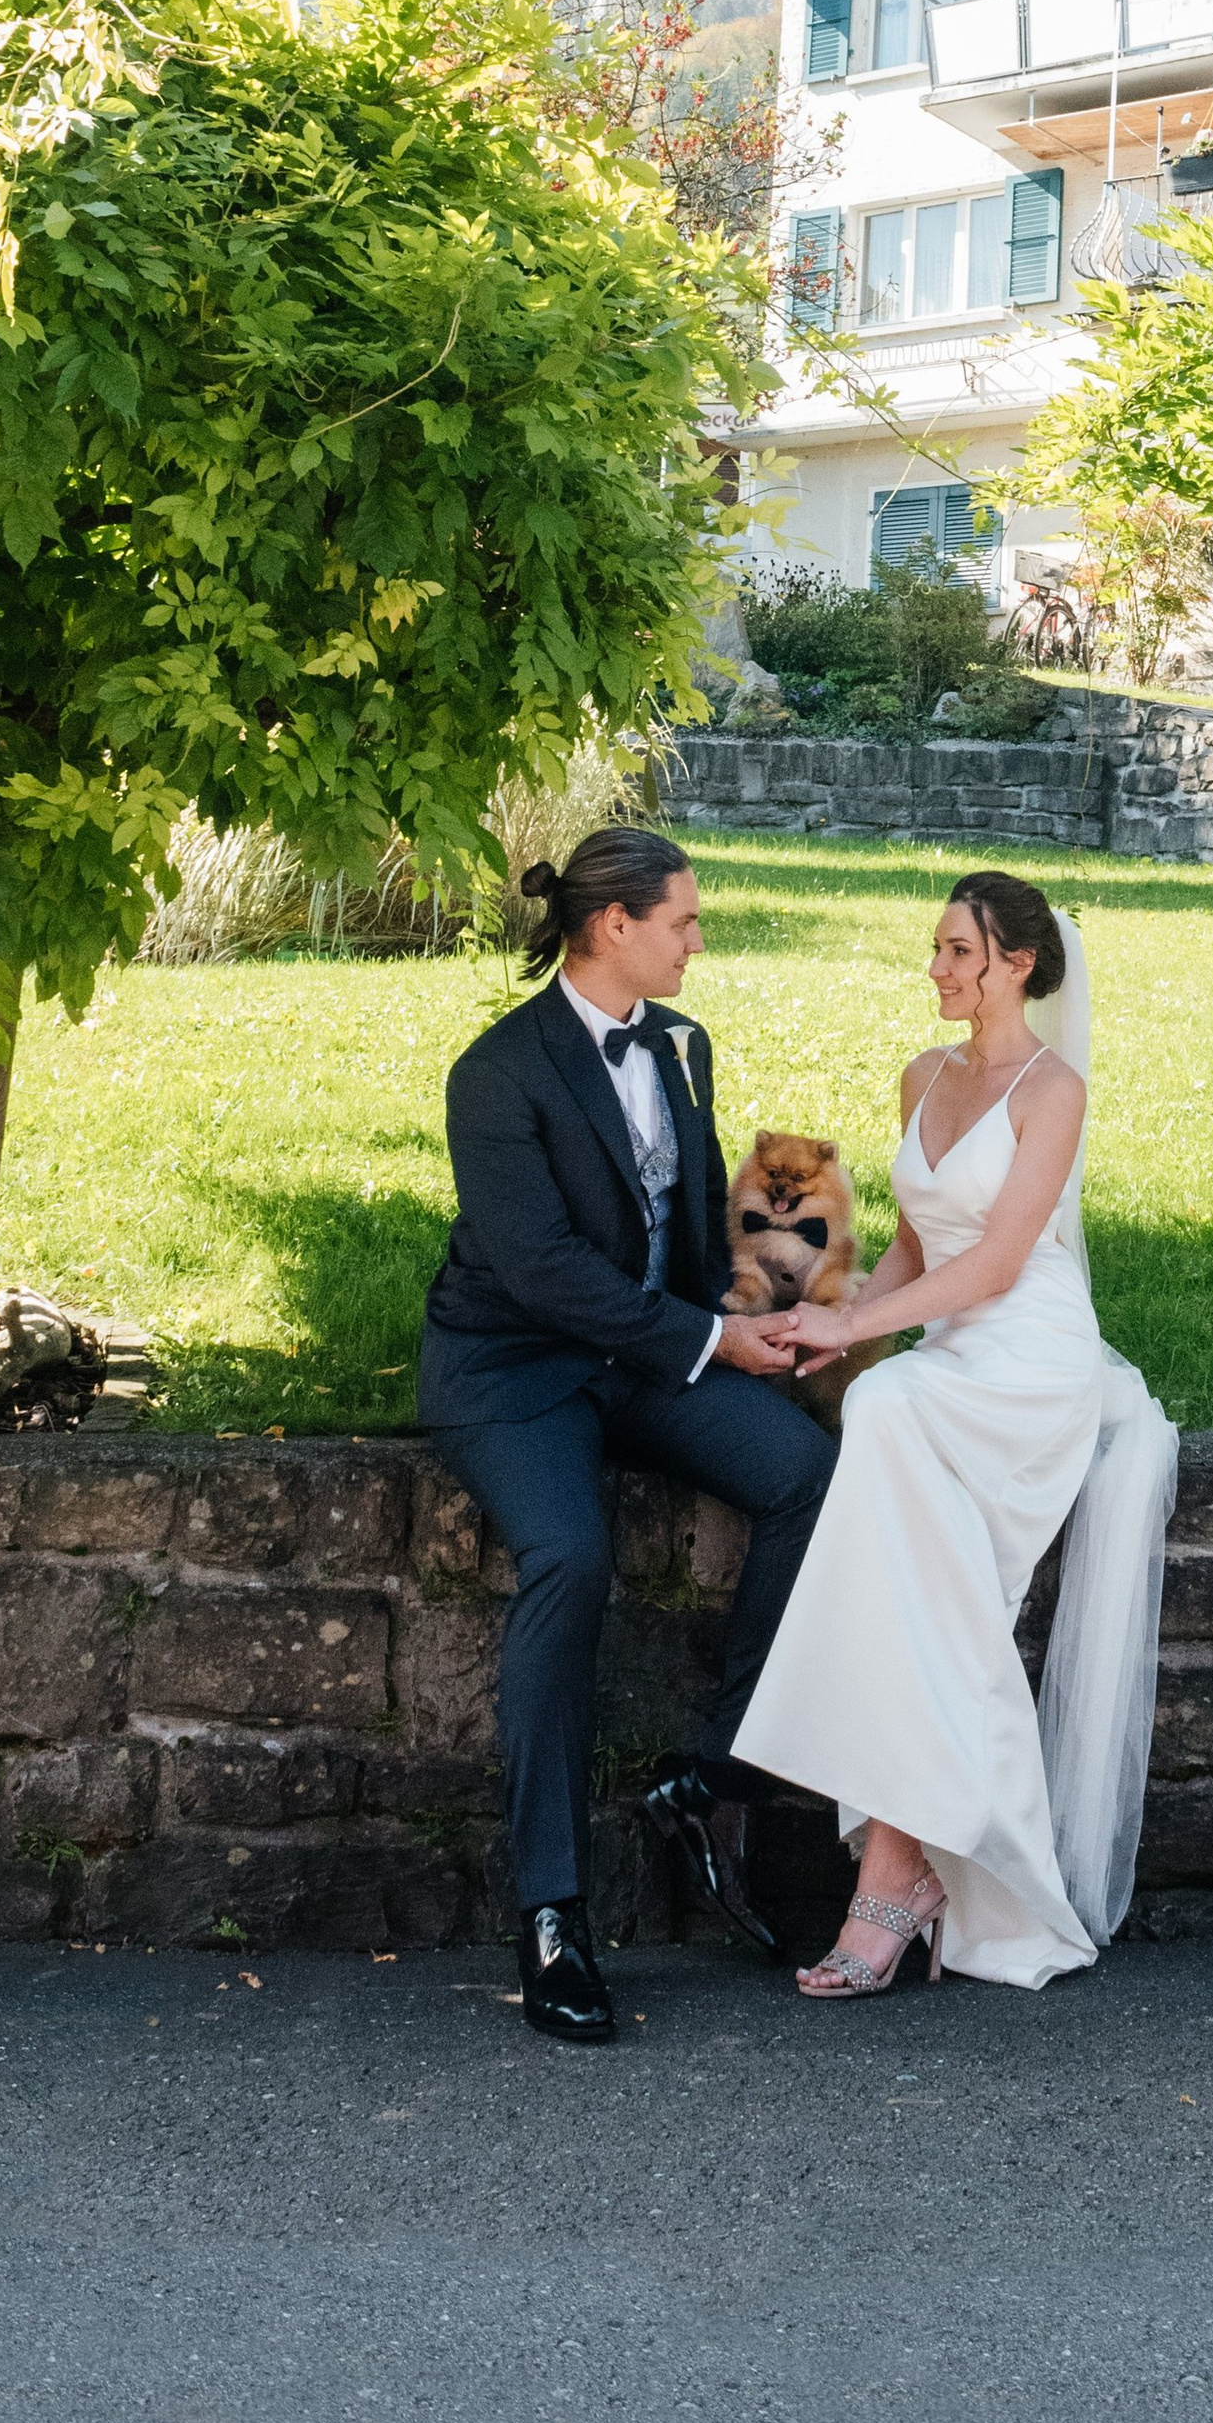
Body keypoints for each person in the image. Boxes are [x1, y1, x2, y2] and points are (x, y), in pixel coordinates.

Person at [418, 827, 834, 2045]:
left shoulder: (680, 1044)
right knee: (570, 1556)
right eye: (683, 921)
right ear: (614, 926)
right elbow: (540, 1268)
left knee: (809, 1475)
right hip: (514, 1366)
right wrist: (708, 1343)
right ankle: (553, 1915)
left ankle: (717, 1772)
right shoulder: (496, 1073)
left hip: (648, 1354)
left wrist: (758, 1317)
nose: (698, 940)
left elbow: (688, 1217)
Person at [735, 868, 1178, 1995]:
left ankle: (890, 1882)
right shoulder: (922, 1075)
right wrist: (835, 1323)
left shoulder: (1052, 1091)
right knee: (933, 1591)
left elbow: (998, 1260)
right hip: (946, 1355)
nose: (934, 967)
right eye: (934, 947)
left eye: (957, 952)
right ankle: (902, 1875)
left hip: (1030, 1360)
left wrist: (859, 1332)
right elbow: (916, 1244)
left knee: (885, 1412)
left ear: (1016, 965)